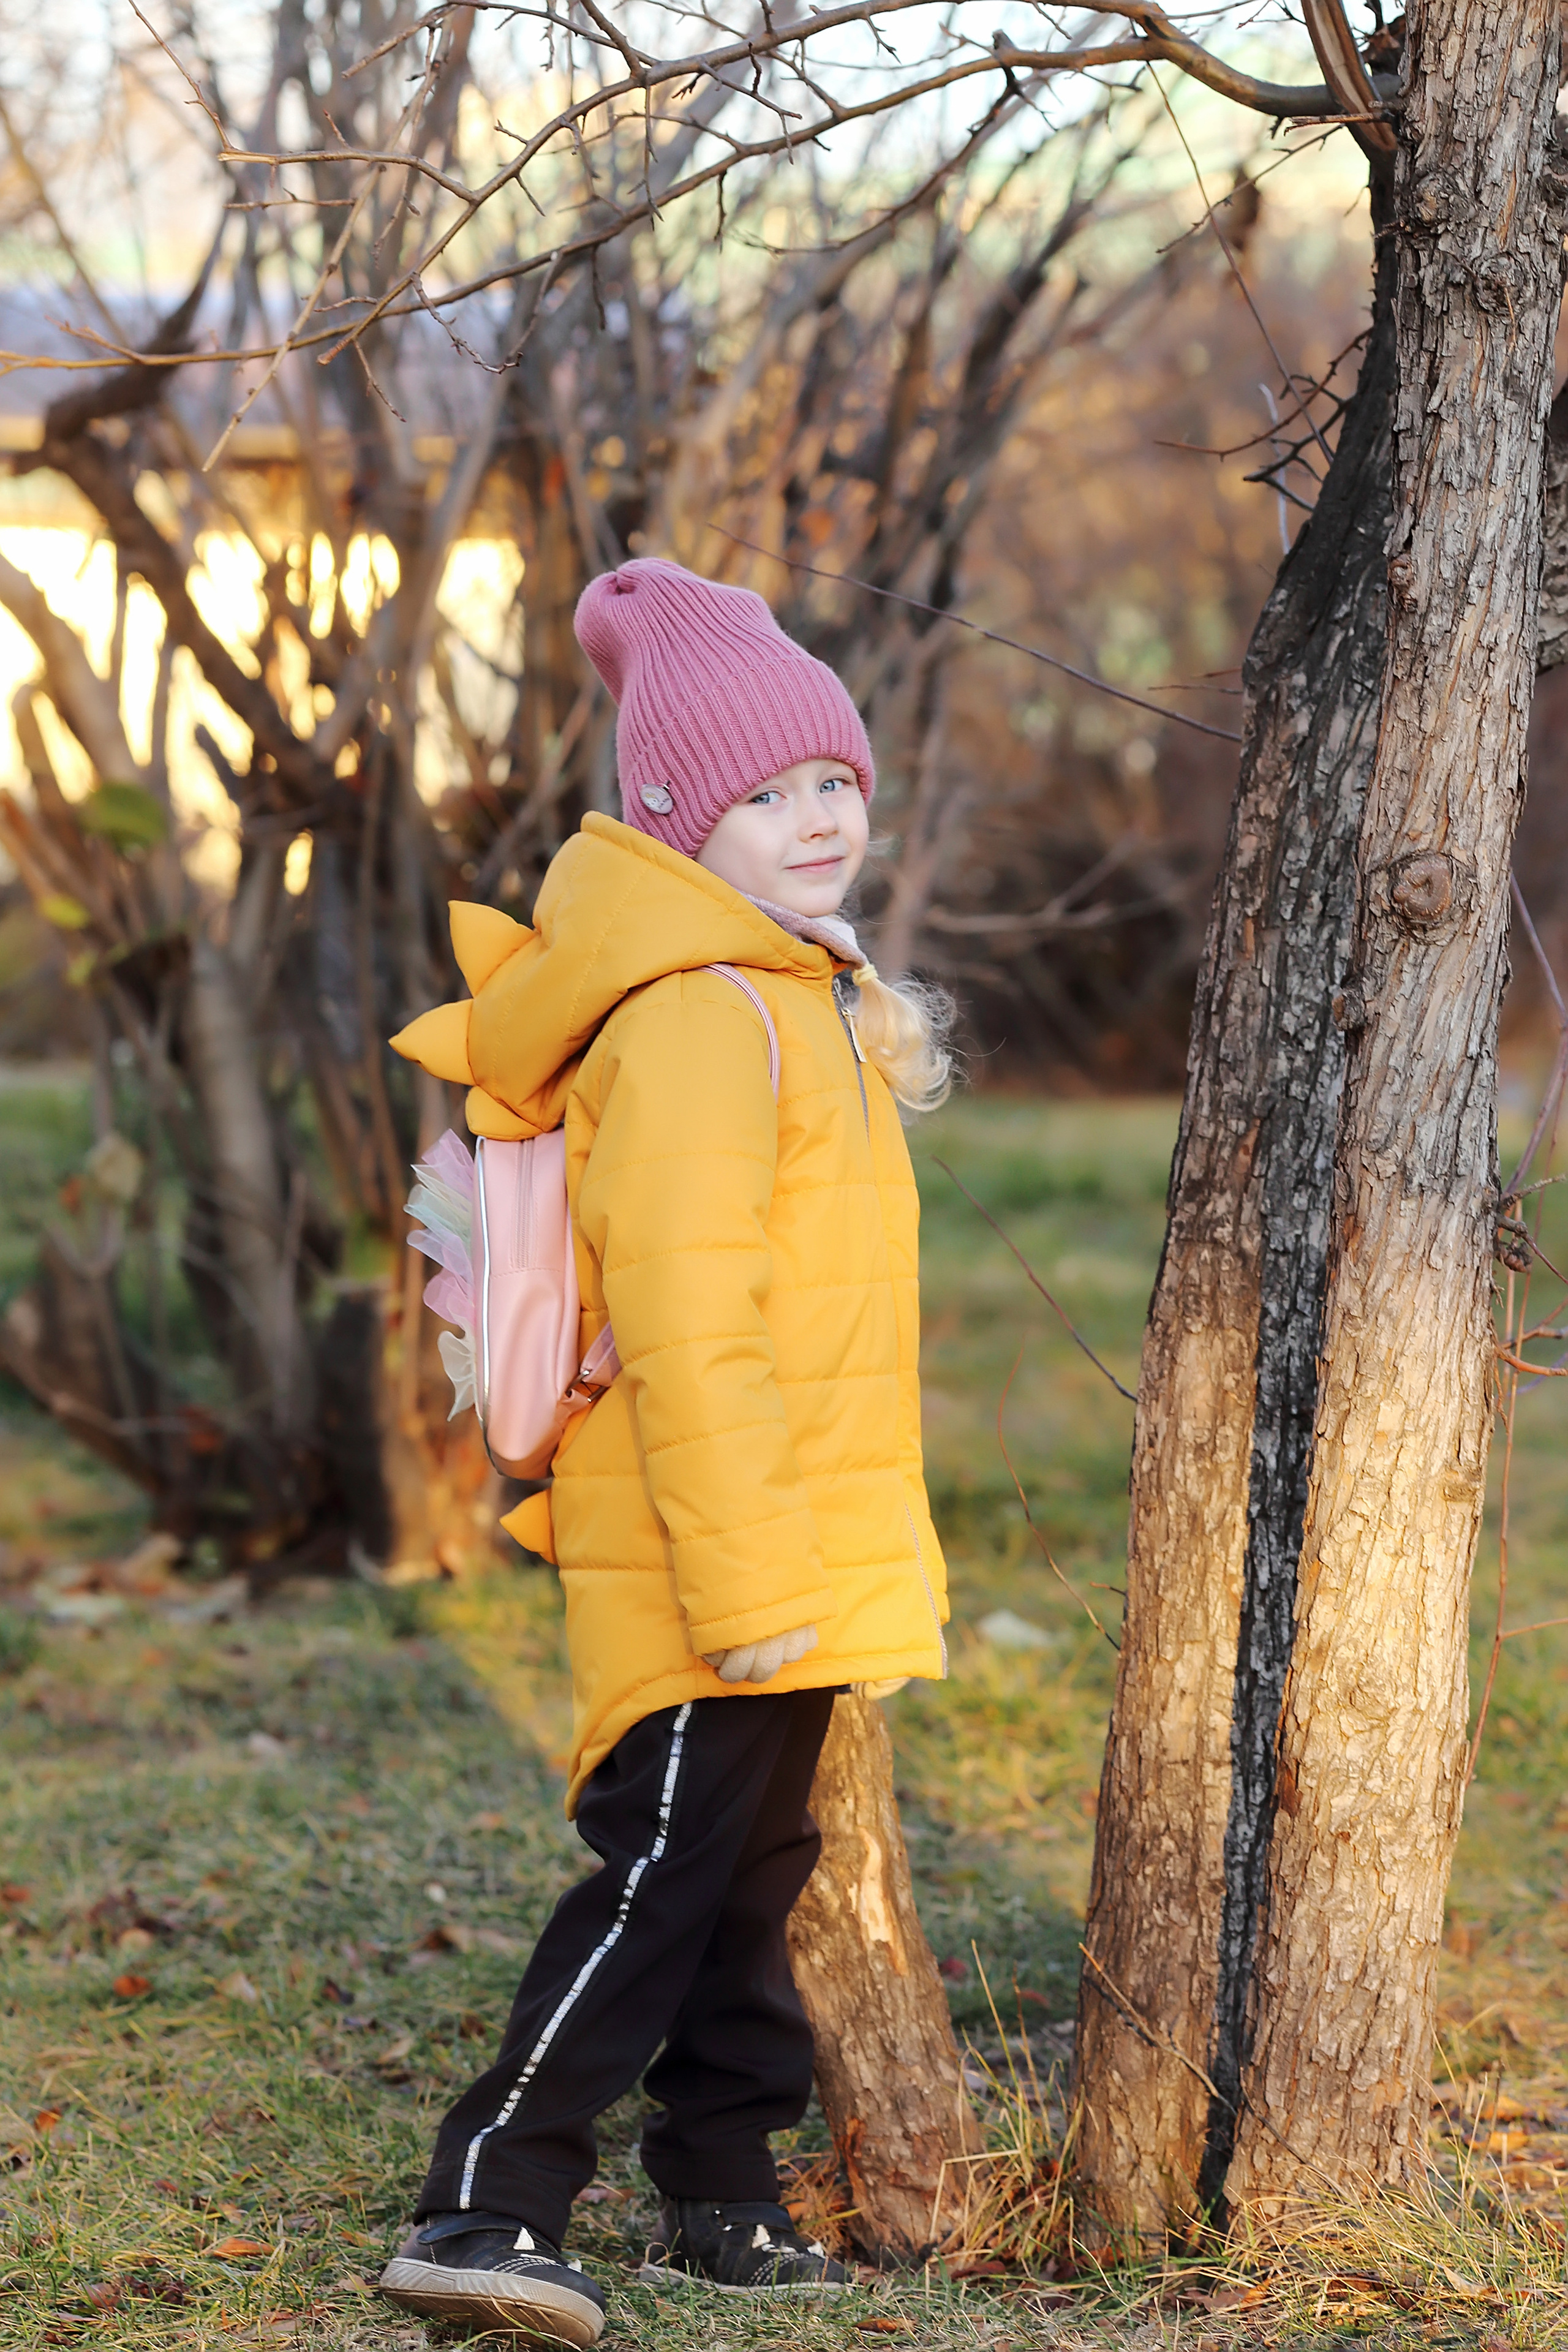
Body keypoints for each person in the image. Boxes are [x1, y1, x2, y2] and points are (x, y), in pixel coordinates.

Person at [379, 557, 953, 2343]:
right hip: (711, 1548)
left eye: (833, 783)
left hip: (776, 1533)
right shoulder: (705, 1014)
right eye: (766, 794)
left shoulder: (797, 991)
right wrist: (758, 1579)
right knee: (656, 1879)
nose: (815, 819)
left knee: (751, 1877)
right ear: (673, 821)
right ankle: (485, 2206)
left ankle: (721, 2187)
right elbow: (697, 1329)